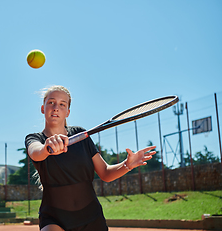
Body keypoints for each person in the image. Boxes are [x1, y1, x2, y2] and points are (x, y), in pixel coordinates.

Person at [25, 85, 156, 231]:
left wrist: (127, 164)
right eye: (51, 102)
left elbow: (105, 172)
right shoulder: (35, 139)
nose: (56, 108)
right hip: (54, 219)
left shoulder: (81, 134)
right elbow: (35, 151)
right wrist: (46, 148)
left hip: (91, 217)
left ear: (67, 112)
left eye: (62, 104)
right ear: (43, 108)